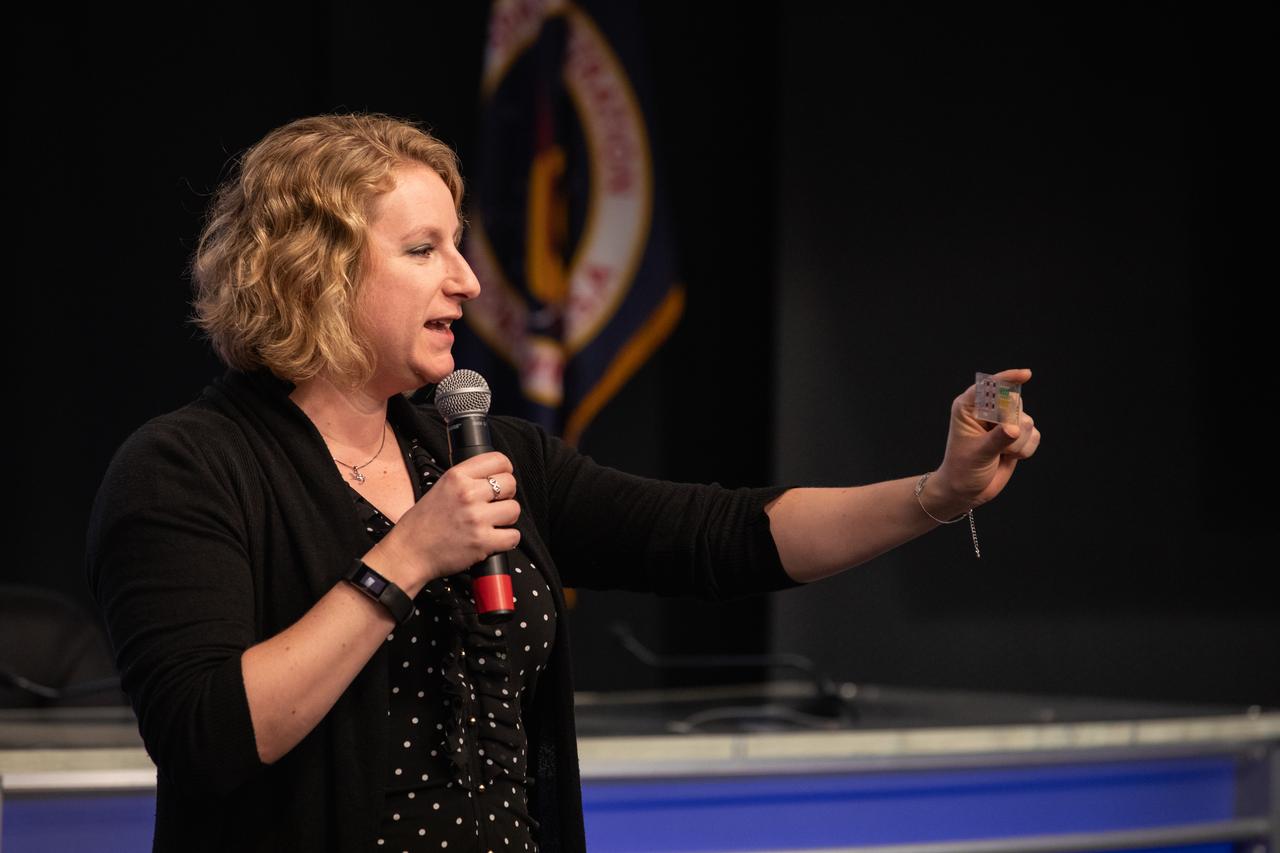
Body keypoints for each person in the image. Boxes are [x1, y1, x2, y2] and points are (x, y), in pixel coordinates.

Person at [86, 112, 1040, 853]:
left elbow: (721, 535)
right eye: (424, 250)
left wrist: (937, 493)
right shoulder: (186, 467)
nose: (466, 280)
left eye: (459, 244)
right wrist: (405, 558)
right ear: (313, 273)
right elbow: (207, 735)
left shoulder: (479, 448)